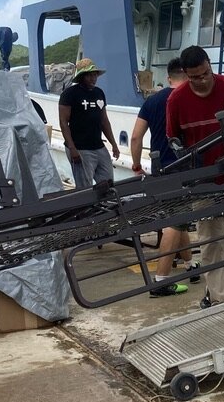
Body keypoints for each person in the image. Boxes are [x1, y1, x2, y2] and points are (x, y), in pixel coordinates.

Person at [166, 47, 224, 309]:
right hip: (203, 181)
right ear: (186, 75)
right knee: (211, 241)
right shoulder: (177, 100)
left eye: (205, 74)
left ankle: (212, 292)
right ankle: (219, 301)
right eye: (195, 77)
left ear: (209, 66)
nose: (202, 80)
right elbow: (174, 139)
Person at [130, 58, 199, 297]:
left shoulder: (153, 101)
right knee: (175, 221)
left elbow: (136, 137)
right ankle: (160, 280)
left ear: (169, 77)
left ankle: (191, 266)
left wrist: (137, 164)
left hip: (161, 167)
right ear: (188, 76)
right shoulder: (192, 98)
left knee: (180, 217)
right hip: (187, 167)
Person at [58, 58, 120, 189]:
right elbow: (63, 122)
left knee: (108, 183)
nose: (93, 78)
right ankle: (87, 208)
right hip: (80, 148)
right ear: (81, 76)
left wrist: (114, 144)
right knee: (85, 188)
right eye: (89, 75)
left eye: (95, 75)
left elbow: (104, 120)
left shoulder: (99, 93)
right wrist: (72, 148)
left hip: (98, 146)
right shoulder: (69, 94)